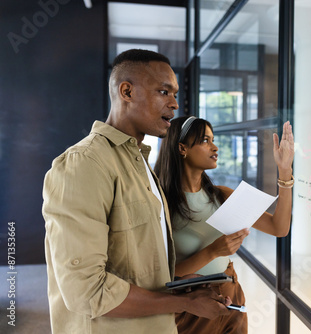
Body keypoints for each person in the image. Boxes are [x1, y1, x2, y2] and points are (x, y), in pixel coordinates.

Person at [42, 49, 230, 334]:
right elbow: (86, 290)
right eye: (164, 91)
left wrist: (179, 285)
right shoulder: (84, 164)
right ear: (126, 91)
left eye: (175, 94)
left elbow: (136, 262)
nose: (175, 104)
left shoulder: (142, 163)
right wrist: (186, 303)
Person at [154, 116, 294, 333]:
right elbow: (160, 275)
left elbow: (279, 227)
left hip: (231, 298)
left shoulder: (221, 195)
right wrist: (213, 251)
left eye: (213, 139)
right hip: (192, 307)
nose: (215, 146)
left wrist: (285, 171)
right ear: (182, 148)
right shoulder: (161, 204)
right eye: (205, 140)